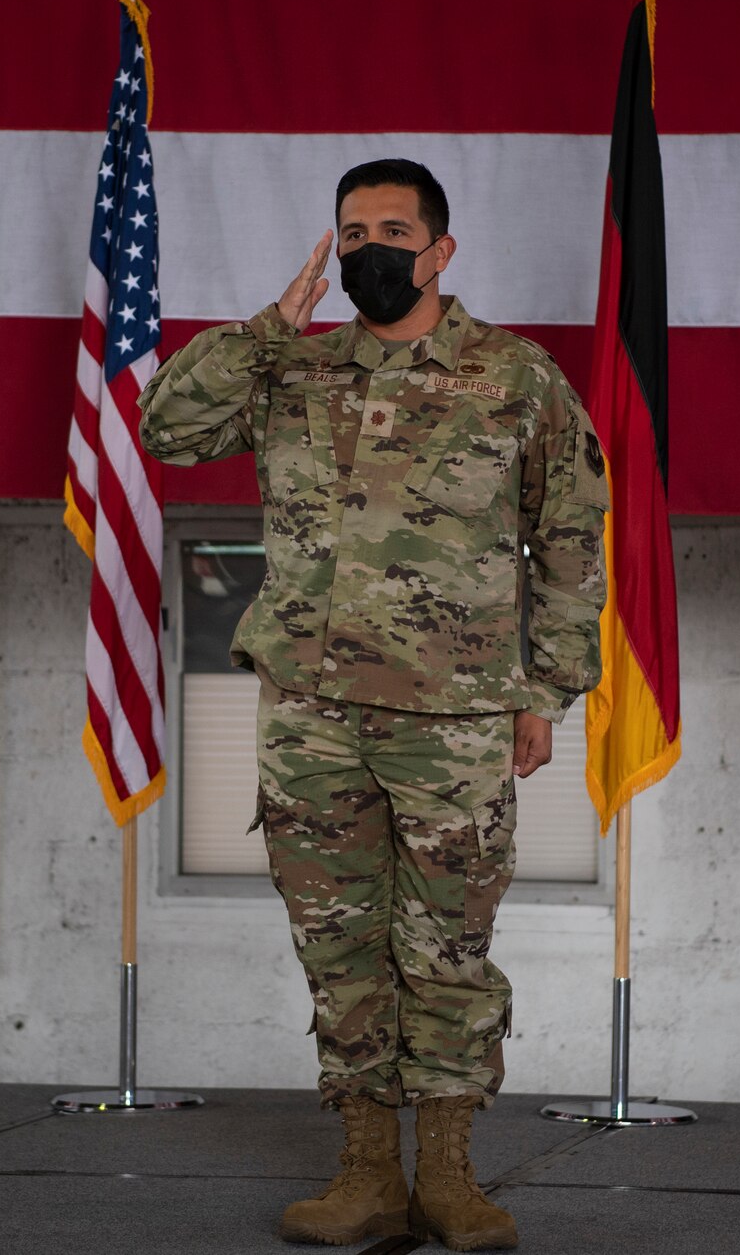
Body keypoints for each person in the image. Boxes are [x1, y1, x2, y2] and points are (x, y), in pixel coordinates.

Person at [139, 158, 607, 1250]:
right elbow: (164, 427)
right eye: (351, 232)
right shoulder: (290, 373)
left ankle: (446, 1172)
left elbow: (575, 535)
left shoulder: (513, 378)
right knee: (336, 942)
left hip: (453, 720)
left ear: (442, 251)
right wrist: (265, 328)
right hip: (310, 714)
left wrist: (545, 690)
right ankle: (364, 1171)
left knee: (445, 944)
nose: (370, 250)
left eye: (393, 229)